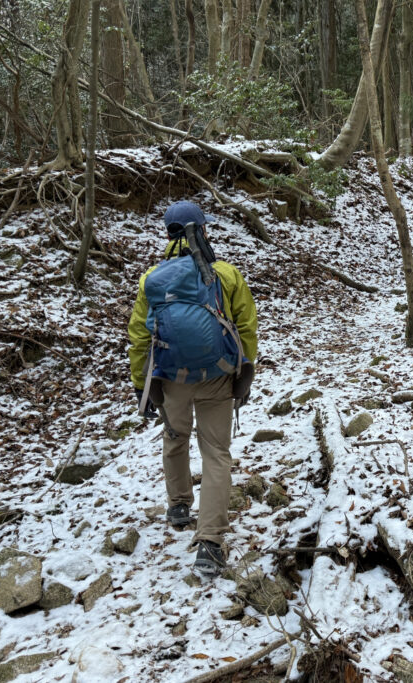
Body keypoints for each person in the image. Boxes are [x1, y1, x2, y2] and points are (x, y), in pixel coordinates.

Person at [128, 200, 258, 574]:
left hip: (172, 378)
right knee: (216, 453)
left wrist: (140, 383)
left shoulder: (152, 279)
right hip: (218, 375)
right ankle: (210, 544)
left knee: (176, 437)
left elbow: (140, 337)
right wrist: (245, 373)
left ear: (168, 233)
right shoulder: (225, 274)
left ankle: (179, 505)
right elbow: (246, 326)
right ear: (202, 230)